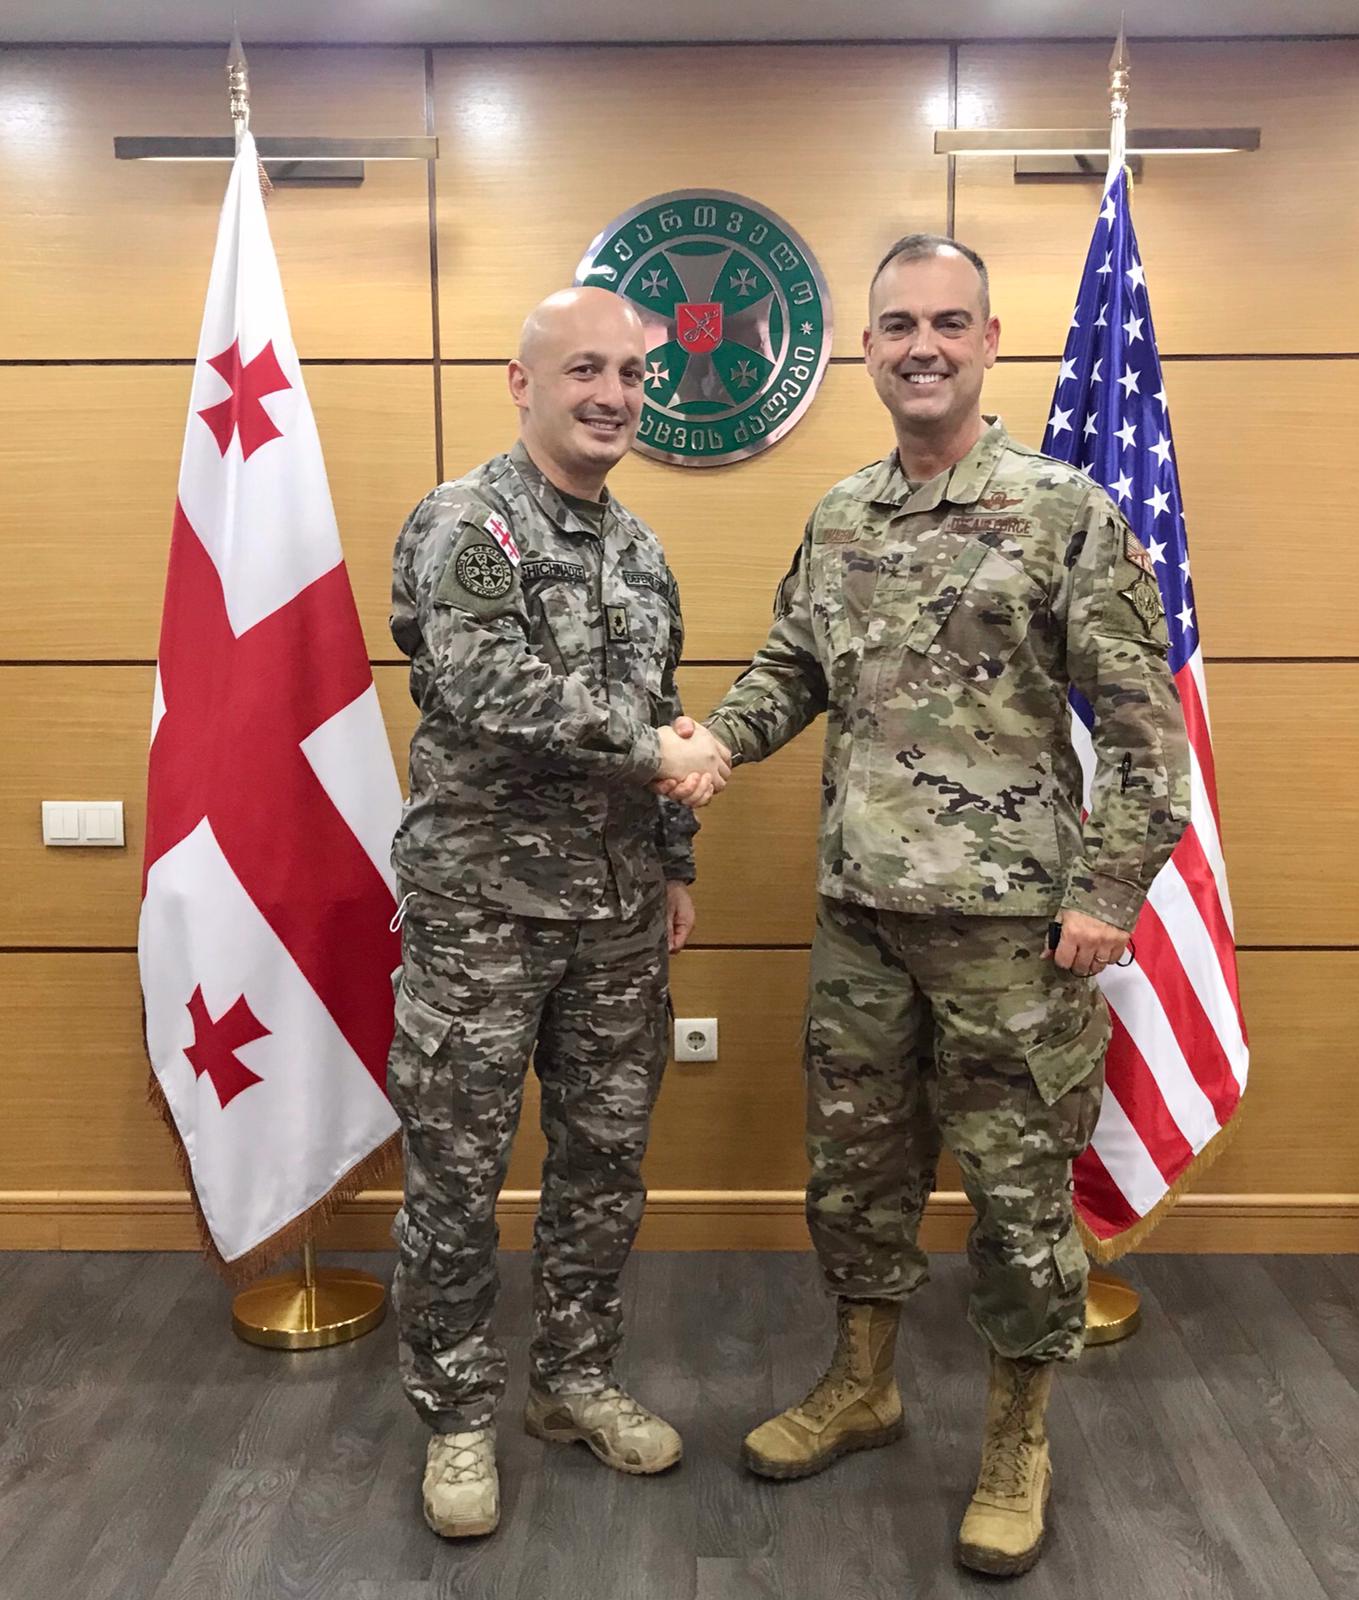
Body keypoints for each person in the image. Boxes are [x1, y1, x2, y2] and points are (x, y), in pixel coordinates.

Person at [665, 235, 1189, 1576]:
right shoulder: (841, 514)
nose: (923, 347)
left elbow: (1146, 727)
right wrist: (718, 740)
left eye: (949, 323)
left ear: (989, 340)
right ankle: (863, 1382)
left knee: (1016, 1200)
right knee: (855, 1179)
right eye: (899, 325)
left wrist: (1108, 890)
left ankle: (1017, 1439)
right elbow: (793, 665)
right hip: (862, 922)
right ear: (867, 350)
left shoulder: (1063, 511)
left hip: (1013, 937)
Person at [386, 286, 729, 1539]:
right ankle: (457, 1414)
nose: (613, 394)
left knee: (601, 1165)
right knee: (458, 1175)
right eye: (585, 369)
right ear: (522, 383)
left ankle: (572, 1380)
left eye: (631, 373)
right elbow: (484, 680)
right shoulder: (471, 522)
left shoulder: (638, 550)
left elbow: (665, 700)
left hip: (618, 916)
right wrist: (653, 751)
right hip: (481, 914)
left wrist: (675, 859)